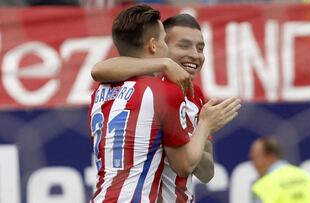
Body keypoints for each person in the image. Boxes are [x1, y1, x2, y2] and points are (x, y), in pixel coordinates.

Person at [89, 5, 241, 203]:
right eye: (184, 45)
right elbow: (183, 165)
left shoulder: (102, 90)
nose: (195, 55)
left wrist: (192, 133)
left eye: (201, 48)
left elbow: (206, 173)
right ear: (158, 45)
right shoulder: (162, 91)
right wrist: (204, 125)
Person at [249, 137, 310, 203]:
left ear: (270, 157)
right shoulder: (308, 178)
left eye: (255, 158)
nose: (253, 164)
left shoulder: (262, 187)